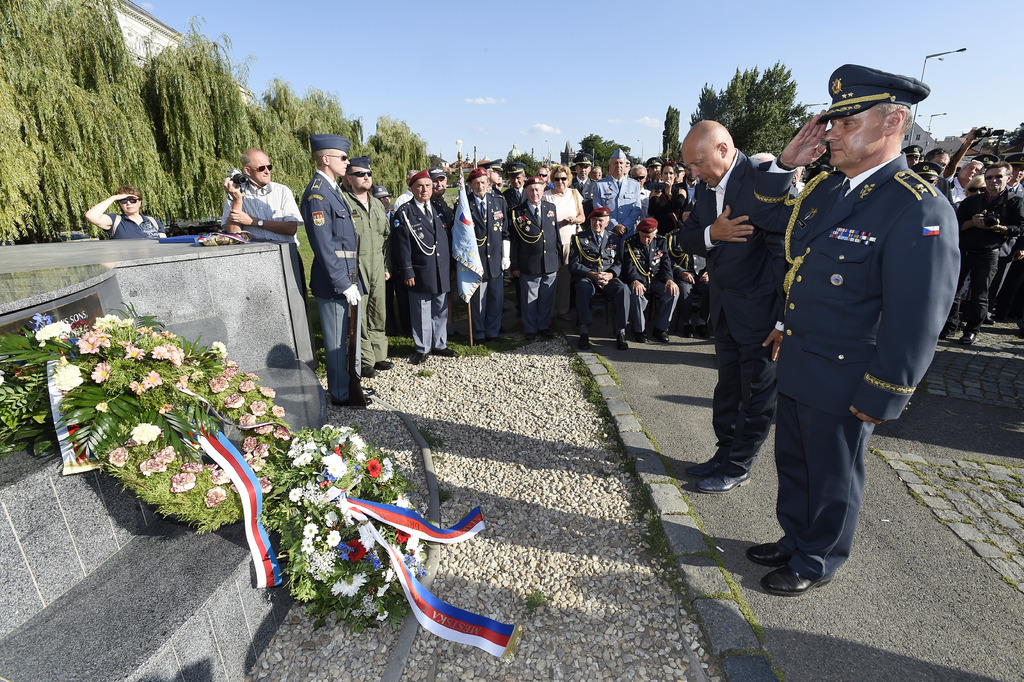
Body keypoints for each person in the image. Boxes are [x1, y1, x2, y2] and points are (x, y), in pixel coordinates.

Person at [745, 64, 959, 595]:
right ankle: (796, 537)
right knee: (794, 461)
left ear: (893, 123)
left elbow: (919, 314)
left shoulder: (917, 205)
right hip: (799, 356)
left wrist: (887, 389)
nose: (831, 133)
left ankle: (817, 558)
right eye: (831, 122)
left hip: (847, 373)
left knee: (834, 474)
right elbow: (774, 230)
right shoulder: (825, 189)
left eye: (846, 122)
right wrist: (785, 165)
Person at [677, 120, 784, 495]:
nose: (692, 173)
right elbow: (686, 237)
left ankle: (739, 465)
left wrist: (784, 320)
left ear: (723, 149)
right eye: (689, 166)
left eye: (697, 163)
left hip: (761, 313)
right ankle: (724, 453)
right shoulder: (707, 188)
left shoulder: (762, 181)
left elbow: (784, 256)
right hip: (723, 307)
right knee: (727, 390)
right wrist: (713, 234)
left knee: (756, 394)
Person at [300, 134, 362, 406]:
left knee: (348, 340)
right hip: (334, 282)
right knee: (337, 344)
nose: (347, 163)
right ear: (326, 159)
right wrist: (343, 283)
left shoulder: (334, 189)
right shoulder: (317, 194)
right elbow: (324, 245)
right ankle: (340, 394)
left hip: (347, 277)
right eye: (343, 158)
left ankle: (350, 387)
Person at [942, 161, 1024, 344]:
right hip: (964, 249)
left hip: (989, 252)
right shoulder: (972, 201)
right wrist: (973, 222)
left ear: (1008, 178)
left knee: (980, 295)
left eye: (998, 177)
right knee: (954, 291)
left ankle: (971, 330)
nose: (993, 181)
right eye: (989, 177)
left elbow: (1019, 228)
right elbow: (955, 225)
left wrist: (999, 227)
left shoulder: (1014, 202)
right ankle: (950, 325)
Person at [391, 170, 453, 364]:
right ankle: (422, 347)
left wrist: (449, 267)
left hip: (440, 268)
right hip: (420, 270)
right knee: (421, 310)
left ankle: (439, 344)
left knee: (440, 309)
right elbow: (401, 247)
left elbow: (446, 240)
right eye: (420, 186)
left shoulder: (438, 209)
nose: (425, 189)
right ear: (411, 188)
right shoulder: (405, 212)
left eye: (428, 185)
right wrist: (407, 271)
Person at [341, 156, 392, 377]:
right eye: (360, 174)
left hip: (377, 265)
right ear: (348, 178)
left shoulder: (377, 204)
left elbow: (386, 239)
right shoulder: (343, 202)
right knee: (359, 314)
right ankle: (363, 359)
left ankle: (379, 355)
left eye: (368, 173)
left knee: (378, 310)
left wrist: (386, 266)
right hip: (356, 265)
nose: (366, 177)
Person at [568, 206, 629, 350]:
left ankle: (621, 331)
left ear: (608, 222)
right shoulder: (579, 238)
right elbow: (574, 265)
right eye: (594, 220)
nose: (597, 224)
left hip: (608, 278)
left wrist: (610, 274)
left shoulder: (614, 238)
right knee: (581, 287)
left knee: (623, 289)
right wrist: (592, 274)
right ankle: (584, 332)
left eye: (601, 221)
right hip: (589, 277)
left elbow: (619, 262)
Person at [509, 175, 561, 340]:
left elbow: (556, 235)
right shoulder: (518, 212)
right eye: (531, 190)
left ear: (543, 190)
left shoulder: (550, 207)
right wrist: (515, 265)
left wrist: (558, 257)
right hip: (529, 264)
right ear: (526, 191)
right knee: (530, 298)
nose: (535, 193)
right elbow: (515, 241)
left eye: (538, 189)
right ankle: (530, 329)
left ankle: (543, 326)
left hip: (550, 262)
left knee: (546, 297)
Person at [466, 167, 510, 342]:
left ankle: (493, 331)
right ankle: (479, 332)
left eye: (483, 182)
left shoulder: (498, 201)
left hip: (496, 259)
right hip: (477, 260)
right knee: (478, 302)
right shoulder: (464, 204)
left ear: (488, 183)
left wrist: (506, 256)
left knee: (496, 298)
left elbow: (505, 231)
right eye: (476, 183)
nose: (480, 186)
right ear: (470, 185)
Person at [220, 148, 301, 243]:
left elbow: (291, 228)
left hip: (285, 252)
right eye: (262, 168)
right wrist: (237, 200)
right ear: (248, 171)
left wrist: (254, 221)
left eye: (269, 167)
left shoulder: (282, 191)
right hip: (255, 254)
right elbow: (235, 235)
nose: (267, 171)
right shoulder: (236, 193)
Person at [619, 218, 679, 343]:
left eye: (649, 237)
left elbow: (666, 263)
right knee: (637, 293)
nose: (646, 240)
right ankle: (639, 330)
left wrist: (669, 279)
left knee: (673, 292)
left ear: (655, 233)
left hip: (656, 280)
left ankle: (660, 329)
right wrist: (635, 280)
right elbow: (629, 266)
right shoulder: (630, 242)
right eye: (643, 236)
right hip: (640, 280)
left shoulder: (661, 241)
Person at [544, 163, 586, 321]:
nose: (560, 182)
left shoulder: (574, 194)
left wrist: (574, 220)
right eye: (556, 179)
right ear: (552, 180)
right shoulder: (546, 195)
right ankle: (549, 311)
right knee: (550, 276)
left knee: (565, 277)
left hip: (569, 241)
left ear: (568, 180)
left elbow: (582, 216)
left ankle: (562, 310)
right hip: (551, 242)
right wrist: (558, 223)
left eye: (563, 178)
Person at [665, 227, 709, 338]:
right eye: (687, 214)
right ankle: (687, 323)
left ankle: (702, 323)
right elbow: (667, 259)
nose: (689, 216)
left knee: (710, 289)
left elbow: (714, 256)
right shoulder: (672, 237)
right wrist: (680, 272)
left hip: (701, 273)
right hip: (683, 275)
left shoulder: (707, 234)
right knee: (684, 291)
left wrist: (709, 272)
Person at [593, 149, 643, 239]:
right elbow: (598, 207)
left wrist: (625, 226)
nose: (618, 166)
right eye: (615, 163)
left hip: (628, 232)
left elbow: (637, 208)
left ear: (625, 166)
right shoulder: (600, 185)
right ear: (610, 166)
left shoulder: (634, 185)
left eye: (621, 163)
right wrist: (614, 225)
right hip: (608, 232)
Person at [85, 185, 165, 239]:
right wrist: (114, 198)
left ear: (140, 202)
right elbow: (91, 216)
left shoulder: (153, 221)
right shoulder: (115, 221)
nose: (128, 203)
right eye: (123, 200)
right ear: (120, 204)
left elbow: (164, 245)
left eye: (132, 200)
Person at [648, 161, 688, 233]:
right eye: (665, 173)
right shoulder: (656, 191)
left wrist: (669, 194)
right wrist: (654, 198)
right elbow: (650, 211)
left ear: (675, 175)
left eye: (671, 173)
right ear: (661, 175)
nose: (668, 176)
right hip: (659, 232)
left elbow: (678, 206)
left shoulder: (680, 191)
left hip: (675, 232)